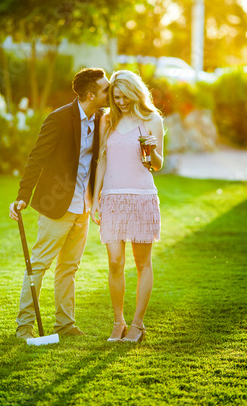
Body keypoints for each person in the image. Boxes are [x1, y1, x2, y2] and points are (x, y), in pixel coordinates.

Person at [9, 68, 110, 340]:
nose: (109, 92)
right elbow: (36, 158)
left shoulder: (102, 118)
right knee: (39, 264)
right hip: (57, 205)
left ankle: (65, 324)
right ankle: (24, 327)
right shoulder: (59, 118)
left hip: (84, 207)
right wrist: (22, 196)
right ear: (91, 95)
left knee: (69, 268)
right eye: (105, 89)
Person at [91, 70, 164, 343]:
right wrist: (96, 197)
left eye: (123, 96)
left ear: (135, 93)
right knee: (114, 261)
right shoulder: (108, 120)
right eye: (115, 96)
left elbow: (157, 165)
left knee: (142, 262)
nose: (119, 101)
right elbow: (101, 159)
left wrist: (152, 152)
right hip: (112, 197)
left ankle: (137, 323)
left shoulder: (151, 120)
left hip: (142, 197)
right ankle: (118, 321)